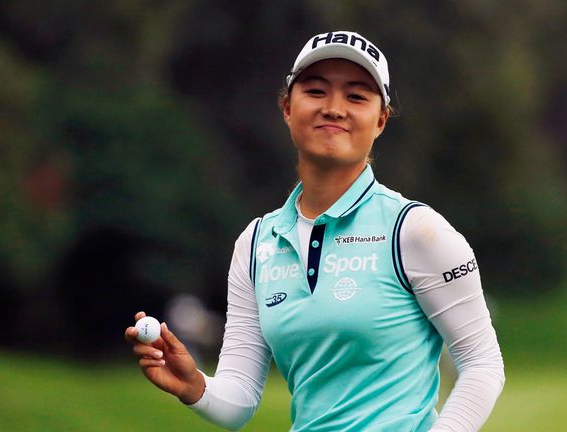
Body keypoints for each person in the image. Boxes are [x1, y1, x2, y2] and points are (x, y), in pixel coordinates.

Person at [125, 30, 505, 432]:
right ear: (288, 108)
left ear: (380, 120)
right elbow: (238, 399)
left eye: (356, 96)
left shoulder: (415, 231)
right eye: (316, 91)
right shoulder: (256, 243)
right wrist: (195, 386)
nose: (334, 109)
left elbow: (482, 363)